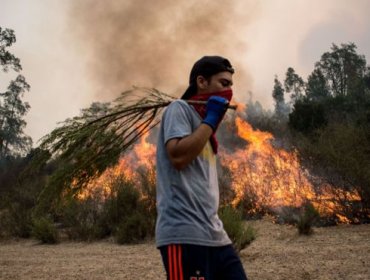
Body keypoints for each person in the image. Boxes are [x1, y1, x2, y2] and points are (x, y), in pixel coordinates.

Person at [155, 56, 248, 280]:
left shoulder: (205, 126)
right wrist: (211, 120)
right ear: (202, 82)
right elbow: (178, 156)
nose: (228, 92)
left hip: (215, 233)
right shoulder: (179, 109)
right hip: (183, 234)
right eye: (223, 84)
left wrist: (209, 122)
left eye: (231, 86)